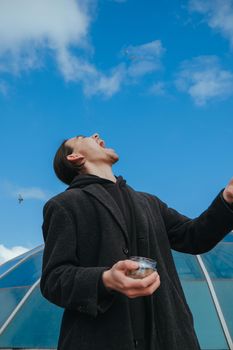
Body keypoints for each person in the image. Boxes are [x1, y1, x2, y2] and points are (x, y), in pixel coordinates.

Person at [40, 133, 233, 350]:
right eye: (82, 137)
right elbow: (53, 280)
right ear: (75, 157)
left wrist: (227, 200)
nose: (96, 135)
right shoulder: (63, 205)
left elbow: (194, 238)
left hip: (171, 339)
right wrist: (105, 279)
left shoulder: (149, 202)